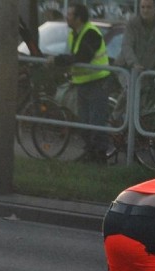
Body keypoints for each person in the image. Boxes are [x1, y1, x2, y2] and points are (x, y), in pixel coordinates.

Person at [51, 4, 111, 163]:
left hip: (97, 82)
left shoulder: (91, 33)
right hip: (83, 82)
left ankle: (99, 157)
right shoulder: (74, 34)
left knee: (96, 122)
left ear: (78, 18)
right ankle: (90, 153)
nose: (67, 17)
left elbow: (82, 57)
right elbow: (72, 56)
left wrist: (57, 60)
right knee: (84, 122)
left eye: (70, 14)